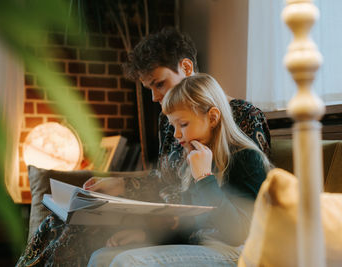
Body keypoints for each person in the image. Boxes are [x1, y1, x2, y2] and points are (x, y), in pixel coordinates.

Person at [16, 27, 271, 267]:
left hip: (220, 240)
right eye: (149, 88)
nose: (154, 97)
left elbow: (243, 222)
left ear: (186, 67)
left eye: (158, 84)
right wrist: (125, 190)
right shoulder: (176, 132)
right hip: (176, 226)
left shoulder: (242, 133)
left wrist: (203, 179)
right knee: (69, 226)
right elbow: (176, 193)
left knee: (94, 238)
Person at [87, 73, 272, 266]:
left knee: (128, 261)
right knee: (102, 257)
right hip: (199, 246)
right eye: (173, 125)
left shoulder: (246, 158)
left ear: (213, 117)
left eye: (183, 124)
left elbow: (238, 233)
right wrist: (147, 236)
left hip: (237, 252)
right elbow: (190, 227)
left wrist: (204, 177)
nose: (176, 134)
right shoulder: (192, 160)